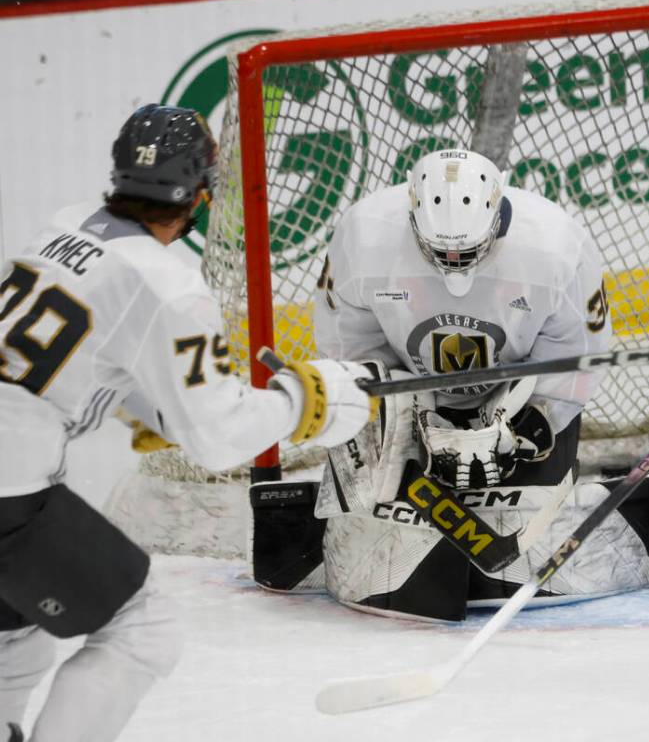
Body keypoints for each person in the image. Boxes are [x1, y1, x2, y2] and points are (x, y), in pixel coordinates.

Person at [0, 104, 373, 741]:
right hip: (10, 495)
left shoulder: (62, 228)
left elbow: (74, 359)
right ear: (201, 195)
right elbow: (219, 434)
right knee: (143, 630)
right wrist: (312, 399)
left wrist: (148, 406)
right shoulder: (168, 284)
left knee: (18, 638)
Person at [249, 147, 649, 622]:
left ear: (498, 216)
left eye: (467, 250)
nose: (454, 262)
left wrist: (535, 422)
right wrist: (403, 419)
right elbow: (349, 352)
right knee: (379, 569)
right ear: (411, 217)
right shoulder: (363, 235)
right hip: (405, 401)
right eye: (441, 251)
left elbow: (578, 356)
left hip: (517, 401)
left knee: (523, 547)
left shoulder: (555, 244)